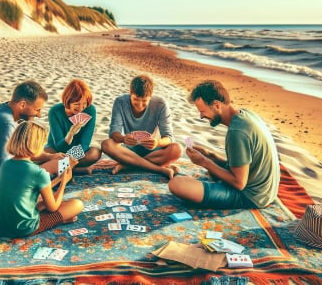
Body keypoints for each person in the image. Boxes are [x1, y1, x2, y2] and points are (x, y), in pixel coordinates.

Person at [168, 80, 280, 209]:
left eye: (203, 111)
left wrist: (204, 162)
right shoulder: (246, 115)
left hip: (251, 197)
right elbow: (241, 167)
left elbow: (239, 183)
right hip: (267, 192)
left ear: (216, 105)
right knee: (207, 171)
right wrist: (211, 156)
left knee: (176, 184)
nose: (201, 116)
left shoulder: (237, 132)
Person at [0, 80, 61, 204]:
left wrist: (50, 156)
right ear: (22, 104)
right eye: (37, 110)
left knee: (53, 154)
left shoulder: (3, 108)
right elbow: (3, 176)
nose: (39, 115)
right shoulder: (5, 123)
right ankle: (63, 173)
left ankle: (69, 168)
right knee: (57, 165)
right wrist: (42, 172)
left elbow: (17, 153)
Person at [0, 120, 84, 238]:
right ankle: (59, 220)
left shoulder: (6, 165)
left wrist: (60, 178)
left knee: (39, 201)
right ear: (37, 145)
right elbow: (53, 207)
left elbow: (37, 189)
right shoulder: (39, 173)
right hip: (22, 229)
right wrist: (63, 183)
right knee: (77, 204)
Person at [101, 74, 182, 179]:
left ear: (151, 96)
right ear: (130, 93)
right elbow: (113, 132)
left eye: (144, 101)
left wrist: (157, 142)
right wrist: (123, 139)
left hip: (154, 151)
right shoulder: (120, 102)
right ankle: (159, 169)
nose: (139, 105)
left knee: (177, 149)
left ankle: (128, 166)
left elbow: (169, 137)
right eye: (136, 99)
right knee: (106, 144)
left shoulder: (160, 104)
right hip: (130, 151)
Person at [44, 79, 102, 172]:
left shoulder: (90, 110)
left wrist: (69, 158)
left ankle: (60, 168)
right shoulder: (55, 111)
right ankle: (76, 169)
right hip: (56, 149)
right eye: (76, 104)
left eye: (84, 104)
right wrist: (70, 134)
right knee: (44, 154)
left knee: (95, 153)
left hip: (78, 151)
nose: (81, 108)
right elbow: (59, 146)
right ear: (67, 101)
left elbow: (85, 143)